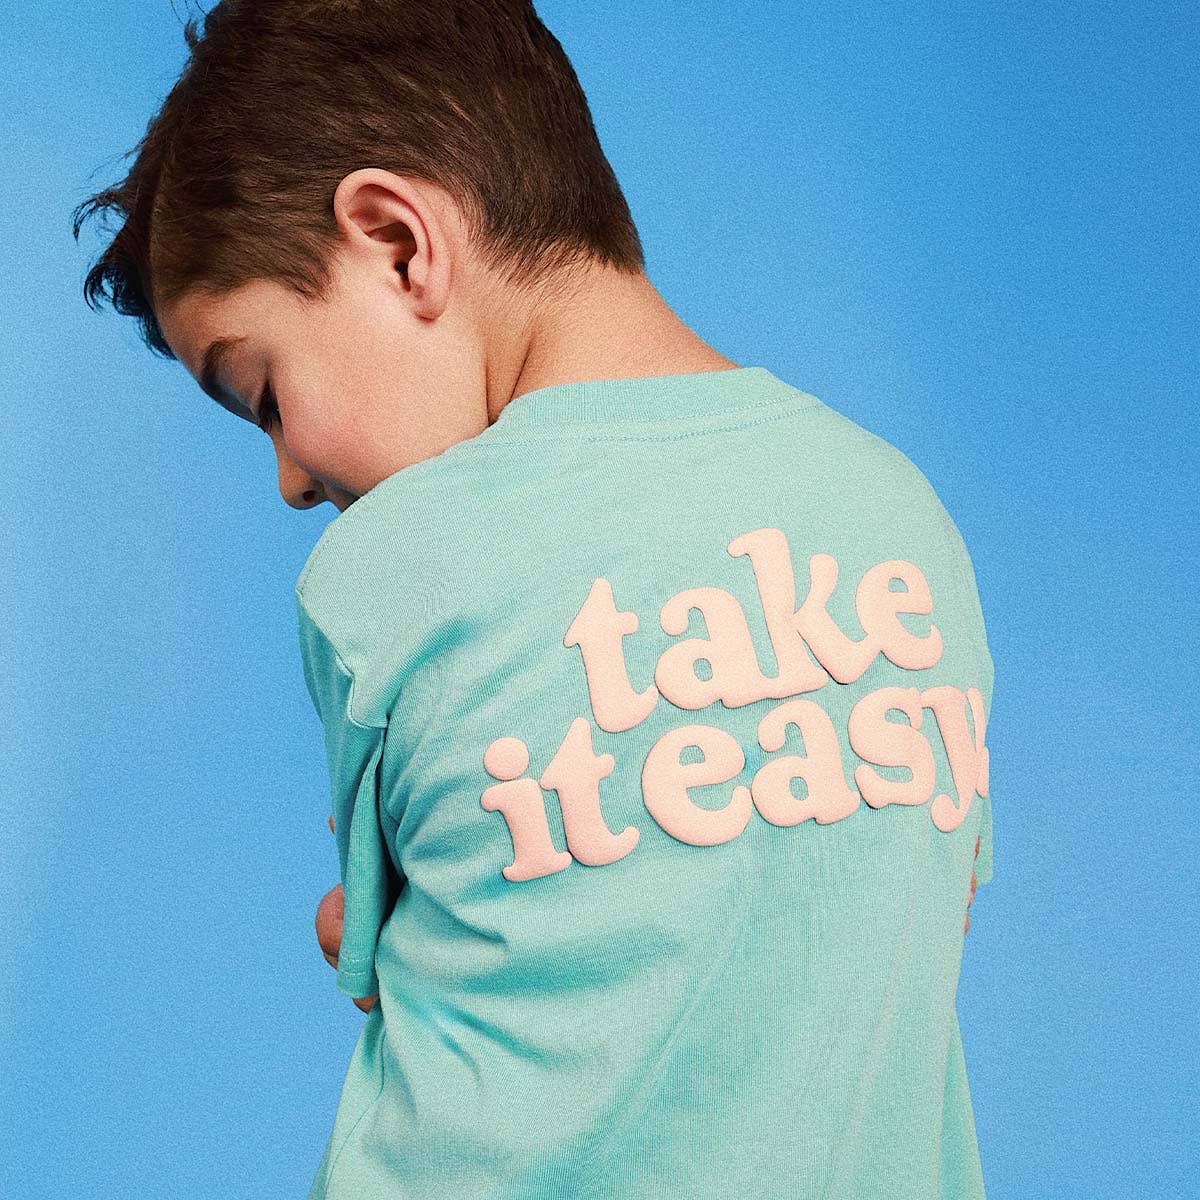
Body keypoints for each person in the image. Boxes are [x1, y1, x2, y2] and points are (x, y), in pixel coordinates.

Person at [73, 2, 993, 1196]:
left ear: (397, 243)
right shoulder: (898, 515)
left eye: (264, 395)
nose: (292, 478)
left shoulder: (392, 570)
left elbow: (370, 953)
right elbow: (911, 920)